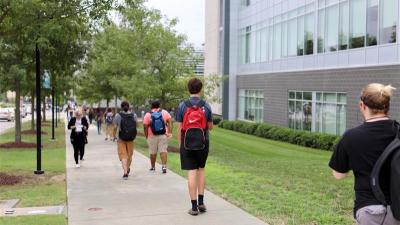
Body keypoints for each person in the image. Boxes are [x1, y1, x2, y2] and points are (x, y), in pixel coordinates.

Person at [329, 83, 400, 225]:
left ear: (362, 105)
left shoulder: (351, 137)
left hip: (368, 209)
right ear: (387, 106)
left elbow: (338, 175)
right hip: (397, 209)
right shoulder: (398, 132)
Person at [176, 78, 213, 216]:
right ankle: (201, 202)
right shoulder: (206, 105)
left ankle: (193, 207)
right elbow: (210, 127)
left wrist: (181, 145)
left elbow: (180, 128)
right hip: (203, 143)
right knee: (201, 170)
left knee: (191, 172)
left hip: (187, 143)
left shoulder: (182, 106)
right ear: (201, 89)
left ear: (188, 89)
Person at [143, 100, 173, 173]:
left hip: (151, 135)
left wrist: (146, 136)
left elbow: (145, 126)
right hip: (163, 135)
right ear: (159, 106)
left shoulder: (148, 114)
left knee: (153, 152)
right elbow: (170, 122)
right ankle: (164, 167)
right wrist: (169, 132)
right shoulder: (164, 112)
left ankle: (153, 167)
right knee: (163, 151)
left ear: (151, 106)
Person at [113, 101, 137, 180]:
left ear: (121, 107)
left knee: (123, 156)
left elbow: (115, 127)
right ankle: (128, 168)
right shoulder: (134, 115)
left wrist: (114, 136)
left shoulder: (118, 115)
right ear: (129, 106)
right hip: (131, 138)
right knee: (129, 155)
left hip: (121, 138)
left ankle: (125, 173)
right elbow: (135, 126)